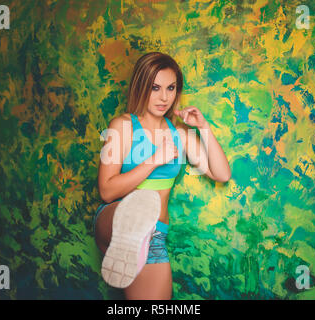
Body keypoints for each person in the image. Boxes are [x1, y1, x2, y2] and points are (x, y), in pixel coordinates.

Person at [94, 52, 231, 300]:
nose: (164, 97)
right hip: (114, 219)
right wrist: (156, 159)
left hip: (155, 234)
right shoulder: (122, 126)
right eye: (155, 88)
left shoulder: (178, 132)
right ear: (141, 86)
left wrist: (203, 128)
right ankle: (132, 228)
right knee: (132, 212)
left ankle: (140, 238)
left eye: (171, 88)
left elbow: (221, 174)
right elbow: (106, 190)